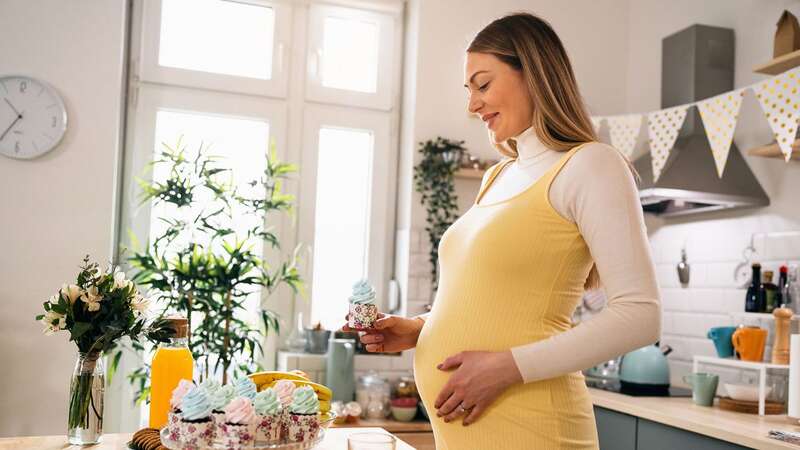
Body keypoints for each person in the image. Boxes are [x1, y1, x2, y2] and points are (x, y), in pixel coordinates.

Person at [342, 12, 660, 449]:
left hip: (535, 427)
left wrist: (505, 367)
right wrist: (422, 328)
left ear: (533, 73)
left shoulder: (591, 164)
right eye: (469, 90)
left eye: (483, 84)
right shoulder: (499, 176)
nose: (473, 105)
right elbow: (495, 298)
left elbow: (641, 315)